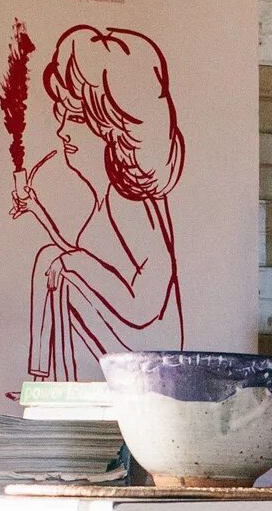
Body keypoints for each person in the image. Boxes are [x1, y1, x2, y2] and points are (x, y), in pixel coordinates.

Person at [14, 24, 186, 380]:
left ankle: (51, 382)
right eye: (61, 114)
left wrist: (76, 264)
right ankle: (41, 377)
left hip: (148, 360)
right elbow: (86, 260)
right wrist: (35, 209)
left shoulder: (131, 199)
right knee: (52, 258)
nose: (62, 131)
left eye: (75, 117)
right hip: (126, 347)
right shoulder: (112, 196)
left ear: (117, 128)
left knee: (61, 266)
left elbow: (144, 305)